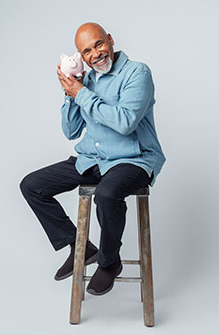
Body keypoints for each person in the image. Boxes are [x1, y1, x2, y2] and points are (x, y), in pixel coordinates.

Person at [19, 22, 166, 296]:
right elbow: (71, 131)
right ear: (81, 56)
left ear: (109, 40)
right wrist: (70, 93)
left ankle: (109, 262)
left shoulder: (137, 73)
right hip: (94, 158)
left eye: (99, 44)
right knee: (31, 185)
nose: (96, 54)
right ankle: (80, 246)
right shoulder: (86, 82)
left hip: (133, 159)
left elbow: (125, 122)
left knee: (107, 194)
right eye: (87, 51)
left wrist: (82, 94)